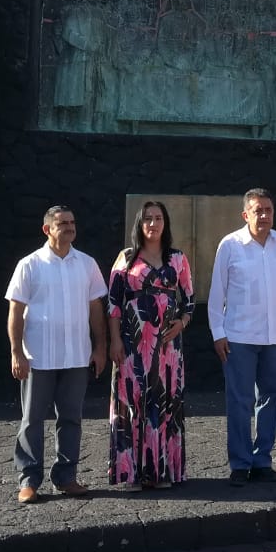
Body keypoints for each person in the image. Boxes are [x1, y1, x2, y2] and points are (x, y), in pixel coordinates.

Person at [6, 205, 109, 504]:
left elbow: (95, 309)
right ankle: (29, 479)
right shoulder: (30, 265)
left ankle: (66, 477)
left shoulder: (87, 264)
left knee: (71, 418)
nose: (69, 227)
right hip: (38, 356)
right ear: (47, 229)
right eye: (62, 223)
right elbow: (16, 310)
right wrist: (16, 352)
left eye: (72, 222)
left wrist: (99, 347)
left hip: (76, 355)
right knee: (32, 419)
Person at [208, 188, 276, 487]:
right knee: (240, 400)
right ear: (245, 214)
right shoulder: (231, 245)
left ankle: (262, 461)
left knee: (272, 398)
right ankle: (239, 463)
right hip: (238, 336)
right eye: (258, 210)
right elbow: (216, 293)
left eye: (268, 210)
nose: (264, 216)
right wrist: (218, 332)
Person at [108, 200, 195, 490]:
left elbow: (190, 302)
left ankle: (161, 472)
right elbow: (113, 304)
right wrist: (115, 340)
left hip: (168, 349)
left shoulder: (178, 259)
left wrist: (181, 323)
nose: (153, 224)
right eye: (147, 219)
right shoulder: (126, 258)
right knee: (133, 403)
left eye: (158, 218)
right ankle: (131, 474)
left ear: (165, 223)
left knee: (165, 404)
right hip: (133, 345)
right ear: (140, 224)